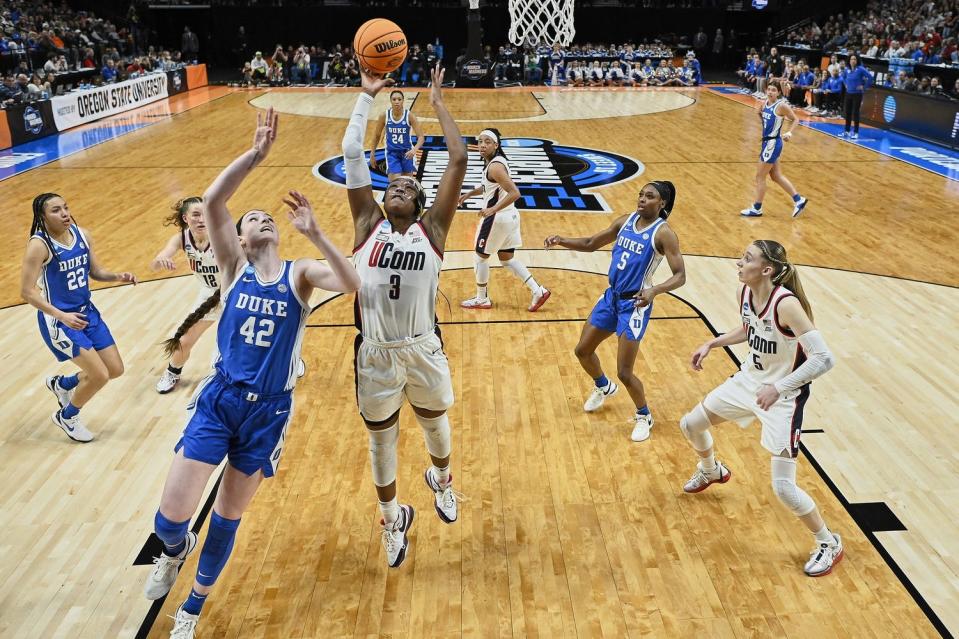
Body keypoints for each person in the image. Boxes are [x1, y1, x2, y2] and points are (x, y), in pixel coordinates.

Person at [142, 107, 360, 637]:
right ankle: (175, 550)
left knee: (226, 517)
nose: (261, 219)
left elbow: (352, 283)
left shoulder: (300, 273)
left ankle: (192, 607)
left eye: (268, 217)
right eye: (251, 220)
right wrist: (257, 154)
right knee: (169, 520)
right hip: (221, 400)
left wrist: (316, 232)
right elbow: (213, 201)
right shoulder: (233, 268)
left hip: (268, 413)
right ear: (238, 241)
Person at [342, 63, 467, 568]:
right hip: (374, 351)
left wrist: (436, 103)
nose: (398, 185)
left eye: (408, 186)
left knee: (436, 423)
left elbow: (458, 157)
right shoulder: (366, 222)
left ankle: (441, 478)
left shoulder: (433, 231)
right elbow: (352, 153)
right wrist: (365, 97)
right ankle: (392, 519)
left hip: (422, 345)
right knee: (382, 441)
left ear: (418, 204)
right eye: (392, 183)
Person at [678, 240, 841, 577]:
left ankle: (828, 541)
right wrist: (713, 342)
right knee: (690, 424)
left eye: (747, 259)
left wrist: (779, 387)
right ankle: (711, 470)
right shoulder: (746, 293)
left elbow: (824, 359)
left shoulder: (787, 304)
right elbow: (749, 328)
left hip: (784, 397)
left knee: (783, 488)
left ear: (767, 269)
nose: (739, 263)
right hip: (749, 382)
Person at [543, 181, 686, 442]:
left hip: (634, 305)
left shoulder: (663, 234)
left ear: (662, 203)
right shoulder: (625, 221)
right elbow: (590, 243)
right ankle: (603, 386)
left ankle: (644, 415)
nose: (642, 199)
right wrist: (562, 239)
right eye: (641, 195)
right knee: (582, 351)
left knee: (624, 372)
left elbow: (680, 276)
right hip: (611, 298)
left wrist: (654, 291)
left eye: (649, 196)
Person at [19, 193, 137, 442]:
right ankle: (68, 416)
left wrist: (117, 276)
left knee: (114, 370)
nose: (64, 213)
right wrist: (62, 315)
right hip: (59, 320)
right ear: (42, 216)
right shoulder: (39, 245)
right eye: (55, 210)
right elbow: (27, 292)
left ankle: (63, 384)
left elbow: (96, 272)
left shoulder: (82, 234)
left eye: (66, 207)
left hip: (87, 312)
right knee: (99, 375)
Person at [458, 128, 551, 312]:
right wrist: (469, 193)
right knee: (507, 259)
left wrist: (492, 209)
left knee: (480, 257)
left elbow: (515, 192)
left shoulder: (494, 166)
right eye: (480, 141)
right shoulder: (496, 163)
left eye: (487, 142)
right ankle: (538, 290)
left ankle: (481, 298)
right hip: (511, 217)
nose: (482, 145)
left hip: (497, 219)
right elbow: (490, 186)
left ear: (496, 145)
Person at [741, 80, 808, 218]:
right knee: (776, 176)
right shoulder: (764, 103)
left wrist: (789, 133)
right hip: (767, 143)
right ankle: (798, 200)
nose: (770, 92)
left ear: (778, 92)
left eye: (773, 90)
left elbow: (795, 119)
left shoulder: (781, 106)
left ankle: (757, 208)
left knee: (760, 176)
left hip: (773, 144)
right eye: (769, 89)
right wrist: (760, 116)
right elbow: (763, 118)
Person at [369, 89, 424, 181]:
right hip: (392, 154)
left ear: (403, 101)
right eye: (394, 99)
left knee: (406, 184)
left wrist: (414, 150)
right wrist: (372, 153)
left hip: (407, 153)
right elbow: (376, 136)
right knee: (395, 184)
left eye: (399, 99)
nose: (397, 102)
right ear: (390, 101)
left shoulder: (409, 115)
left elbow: (421, 137)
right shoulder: (384, 116)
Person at [840, 54, 873, 139]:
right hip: (848, 93)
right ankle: (846, 131)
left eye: (854, 59)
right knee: (847, 112)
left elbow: (870, 77)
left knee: (855, 113)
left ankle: (856, 132)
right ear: (849, 61)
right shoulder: (847, 70)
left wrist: (864, 86)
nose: (853, 61)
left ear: (857, 60)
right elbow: (843, 78)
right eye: (851, 59)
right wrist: (845, 84)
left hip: (857, 94)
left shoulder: (861, 69)